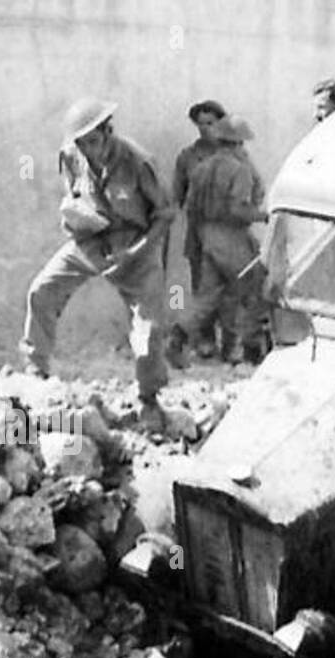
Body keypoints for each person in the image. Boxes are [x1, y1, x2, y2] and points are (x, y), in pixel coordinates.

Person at [20, 97, 174, 430]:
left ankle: (149, 400)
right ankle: (36, 370)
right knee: (42, 292)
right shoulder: (71, 155)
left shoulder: (137, 162)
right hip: (90, 242)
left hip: (135, 246)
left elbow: (165, 214)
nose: (87, 150)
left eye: (92, 141)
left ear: (107, 132)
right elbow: (73, 195)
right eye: (81, 143)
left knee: (147, 333)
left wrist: (136, 253)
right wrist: (76, 218)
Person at [183, 113, 270, 365]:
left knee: (208, 296)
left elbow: (190, 205)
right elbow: (237, 209)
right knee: (253, 288)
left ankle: (178, 336)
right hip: (232, 235)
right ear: (237, 144)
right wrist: (263, 216)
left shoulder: (201, 168)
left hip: (206, 236)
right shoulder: (239, 170)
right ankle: (251, 349)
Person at [167, 99, 226, 366]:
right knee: (202, 285)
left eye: (210, 123)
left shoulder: (232, 153)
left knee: (225, 288)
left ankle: (229, 341)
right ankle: (204, 340)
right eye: (200, 124)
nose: (205, 129)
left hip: (228, 229)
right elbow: (177, 196)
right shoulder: (187, 157)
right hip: (199, 230)